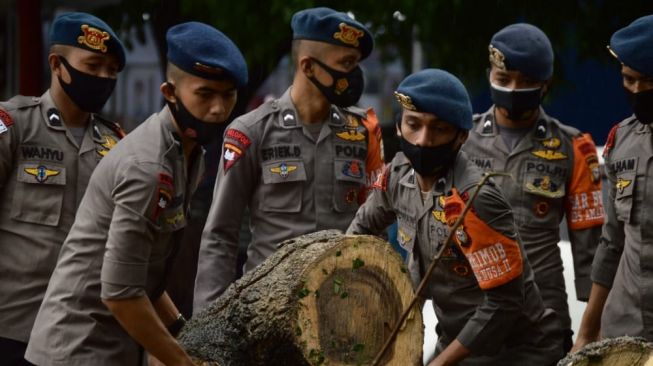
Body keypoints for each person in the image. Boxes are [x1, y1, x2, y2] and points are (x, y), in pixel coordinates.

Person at [24, 21, 247, 366]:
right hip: (77, 349)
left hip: (112, 345)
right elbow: (121, 293)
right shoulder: (147, 167)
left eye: (228, 95)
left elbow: (147, 279)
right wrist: (184, 362)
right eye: (204, 94)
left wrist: (183, 335)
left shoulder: (189, 155)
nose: (218, 109)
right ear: (170, 93)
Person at [347, 69, 563, 365]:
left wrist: (439, 363)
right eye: (414, 124)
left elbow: (504, 302)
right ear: (398, 127)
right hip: (453, 341)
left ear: (461, 136)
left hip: (515, 351)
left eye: (438, 129)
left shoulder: (476, 198)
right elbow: (357, 235)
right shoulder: (397, 177)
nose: (423, 141)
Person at [193, 6, 384, 312]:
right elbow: (220, 235)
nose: (354, 75)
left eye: (356, 64)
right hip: (267, 311)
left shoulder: (362, 133)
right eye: (346, 64)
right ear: (308, 66)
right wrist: (208, 327)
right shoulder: (251, 132)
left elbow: (375, 226)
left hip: (344, 310)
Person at [460, 23, 604, 353]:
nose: (513, 89)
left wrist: (592, 330)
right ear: (489, 75)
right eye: (503, 79)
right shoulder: (461, 140)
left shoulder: (572, 147)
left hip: (542, 316)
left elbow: (591, 249)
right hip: (471, 311)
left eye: (526, 82)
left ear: (545, 86)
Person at [0, 12, 125, 365]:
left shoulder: (116, 144)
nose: (103, 77)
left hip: (82, 334)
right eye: (93, 65)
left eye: (112, 70)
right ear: (57, 65)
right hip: (13, 327)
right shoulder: (14, 126)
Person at [573, 14, 653, 350]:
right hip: (626, 331)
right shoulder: (621, 140)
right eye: (628, 80)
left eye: (646, 82)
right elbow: (611, 242)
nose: (635, 91)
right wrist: (587, 332)